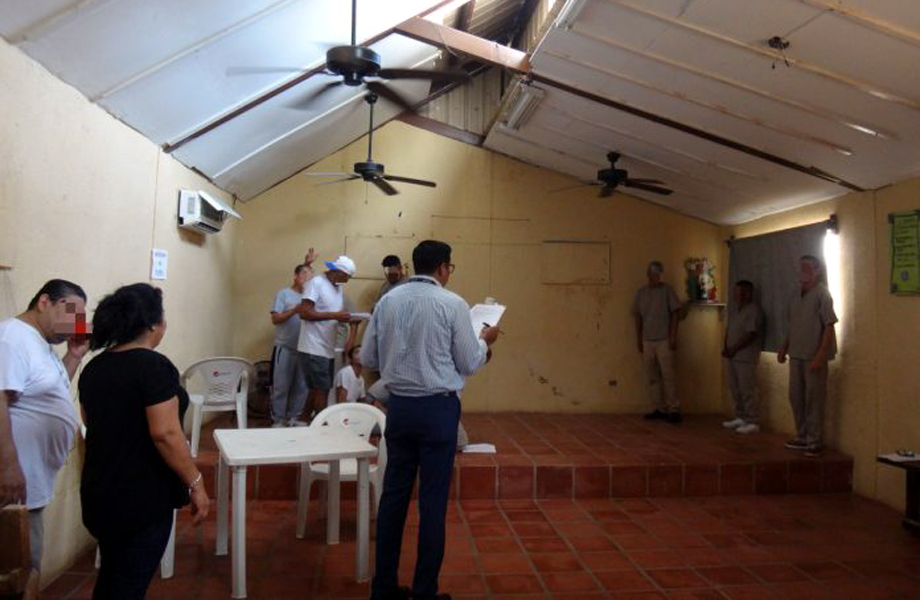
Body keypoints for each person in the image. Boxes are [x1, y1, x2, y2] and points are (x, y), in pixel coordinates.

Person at [363, 240, 500, 600]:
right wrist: (485, 341)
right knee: (432, 503)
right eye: (450, 268)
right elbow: (470, 363)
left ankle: (384, 588)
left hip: (400, 410)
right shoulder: (452, 304)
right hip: (438, 411)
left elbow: (368, 355)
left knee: (393, 499)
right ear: (442, 267)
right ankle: (424, 592)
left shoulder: (387, 301)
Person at [79, 283, 209, 599]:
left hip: (101, 490)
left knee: (113, 576)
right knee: (128, 583)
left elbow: (88, 420)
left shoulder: (95, 367)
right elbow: (165, 434)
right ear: (152, 324)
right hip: (141, 495)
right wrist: (196, 482)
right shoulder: (154, 366)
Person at [0, 279, 88, 573]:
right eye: (72, 313)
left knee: (26, 563)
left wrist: (73, 357)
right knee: (19, 568)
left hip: (31, 478)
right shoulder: (13, 338)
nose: (76, 324)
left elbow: (51, 391)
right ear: (44, 302)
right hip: (13, 479)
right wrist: (8, 467)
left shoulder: (41, 343)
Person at [778, 255, 838, 458]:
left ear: (817, 270)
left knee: (814, 399)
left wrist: (821, 355)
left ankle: (814, 440)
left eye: (808, 268)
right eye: (800, 267)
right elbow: (792, 324)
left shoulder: (822, 294)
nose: (803, 271)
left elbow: (829, 325)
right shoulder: (795, 295)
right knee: (796, 396)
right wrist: (784, 346)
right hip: (796, 354)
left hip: (814, 356)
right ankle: (801, 436)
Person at [298, 255, 356, 420]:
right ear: (337, 271)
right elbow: (304, 312)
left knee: (316, 389)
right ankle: (322, 427)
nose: (347, 281)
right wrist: (334, 315)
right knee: (322, 389)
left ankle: (302, 422)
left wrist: (346, 318)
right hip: (313, 347)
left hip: (326, 347)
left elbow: (331, 315)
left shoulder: (338, 287)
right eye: (346, 277)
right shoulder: (316, 283)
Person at [632, 261, 682, 423]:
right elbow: (638, 317)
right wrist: (639, 338)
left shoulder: (667, 290)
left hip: (664, 339)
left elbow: (675, 313)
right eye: (653, 274)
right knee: (652, 377)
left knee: (668, 375)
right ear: (648, 275)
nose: (655, 277)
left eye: (658, 274)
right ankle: (657, 408)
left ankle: (673, 409)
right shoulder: (641, 293)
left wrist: (673, 336)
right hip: (647, 340)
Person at [270, 259, 314, 427]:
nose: (308, 278)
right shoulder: (284, 294)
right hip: (285, 348)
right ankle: (278, 419)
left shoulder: (311, 298)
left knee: (301, 387)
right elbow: (275, 318)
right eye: (304, 274)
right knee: (281, 386)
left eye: (310, 276)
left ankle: (294, 418)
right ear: (295, 276)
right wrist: (294, 310)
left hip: (305, 349)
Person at [721, 280, 764, 434]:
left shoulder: (753, 311)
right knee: (735, 387)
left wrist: (734, 348)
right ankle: (740, 416)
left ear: (747, 293)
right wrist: (726, 347)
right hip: (733, 356)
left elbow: (751, 334)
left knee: (747, 389)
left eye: (738, 292)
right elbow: (729, 330)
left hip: (745, 357)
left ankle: (753, 420)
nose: (735, 295)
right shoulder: (736, 310)